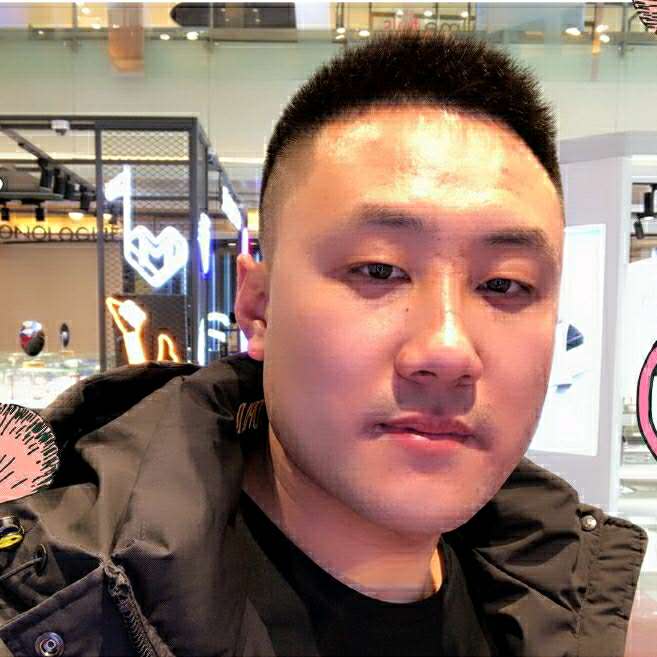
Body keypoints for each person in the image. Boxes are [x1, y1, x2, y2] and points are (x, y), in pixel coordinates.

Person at [0, 31, 648, 657]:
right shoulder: (55, 616)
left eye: (504, 284)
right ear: (259, 306)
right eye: (379, 270)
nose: (448, 350)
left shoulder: (564, 608)